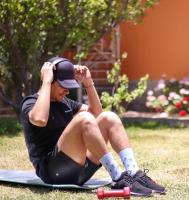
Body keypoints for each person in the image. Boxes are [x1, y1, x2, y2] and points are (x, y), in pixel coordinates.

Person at [20, 57, 166, 197]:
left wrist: (88, 83)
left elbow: (97, 114)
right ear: (50, 80)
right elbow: (40, 119)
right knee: (84, 118)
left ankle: (134, 173)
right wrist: (46, 81)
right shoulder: (30, 104)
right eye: (63, 86)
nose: (67, 91)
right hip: (53, 172)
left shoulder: (64, 102)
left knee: (109, 117)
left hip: (80, 171)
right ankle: (118, 178)